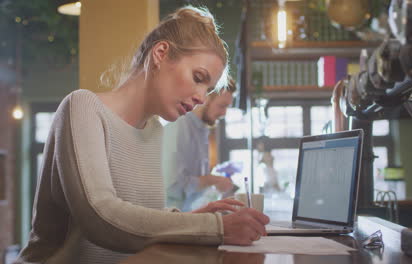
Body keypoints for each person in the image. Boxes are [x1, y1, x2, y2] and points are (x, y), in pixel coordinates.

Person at [14, 6, 269, 264]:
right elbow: (100, 217)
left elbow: (140, 220)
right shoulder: (82, 107)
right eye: (198, 77)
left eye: (208, 89)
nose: (201, 98)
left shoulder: (154, 130)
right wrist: (213, 227)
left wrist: (191, 219)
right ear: (160, 54)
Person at [163, 78, 236, 212]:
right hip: (173, 219)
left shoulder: (202, 130)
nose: (224, 113)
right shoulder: (179, 125)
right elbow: (171, 187)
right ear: (205, 98)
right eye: (222, 106)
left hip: (191, 216)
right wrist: (211, 180)